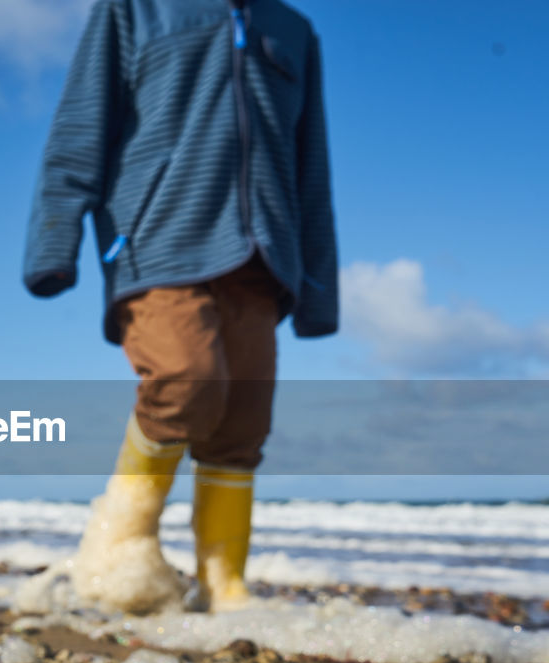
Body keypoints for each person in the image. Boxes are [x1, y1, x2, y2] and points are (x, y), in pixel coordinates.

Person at [23, 0, 337, 613]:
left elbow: (311, 168)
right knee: (186, 379)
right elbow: (80, 124)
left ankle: (222, 587)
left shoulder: (293, 31)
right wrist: (53, 240)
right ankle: (118, 542)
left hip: (263, 256)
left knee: (242, 423)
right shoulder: (134, 8)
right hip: (157, 241)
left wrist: (318, 289)